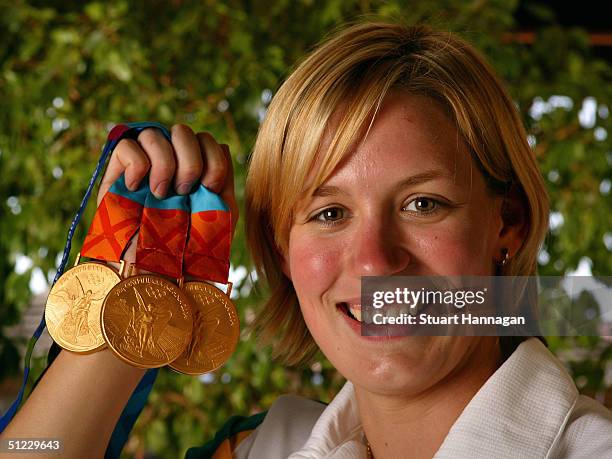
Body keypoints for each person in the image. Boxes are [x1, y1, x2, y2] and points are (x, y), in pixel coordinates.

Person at [2, 20, 612, 458]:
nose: (375, 261)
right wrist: (134, 296)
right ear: (282, 251)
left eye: (422, 204)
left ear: (509, 225)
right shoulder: (265, 447)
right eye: (327, 213)